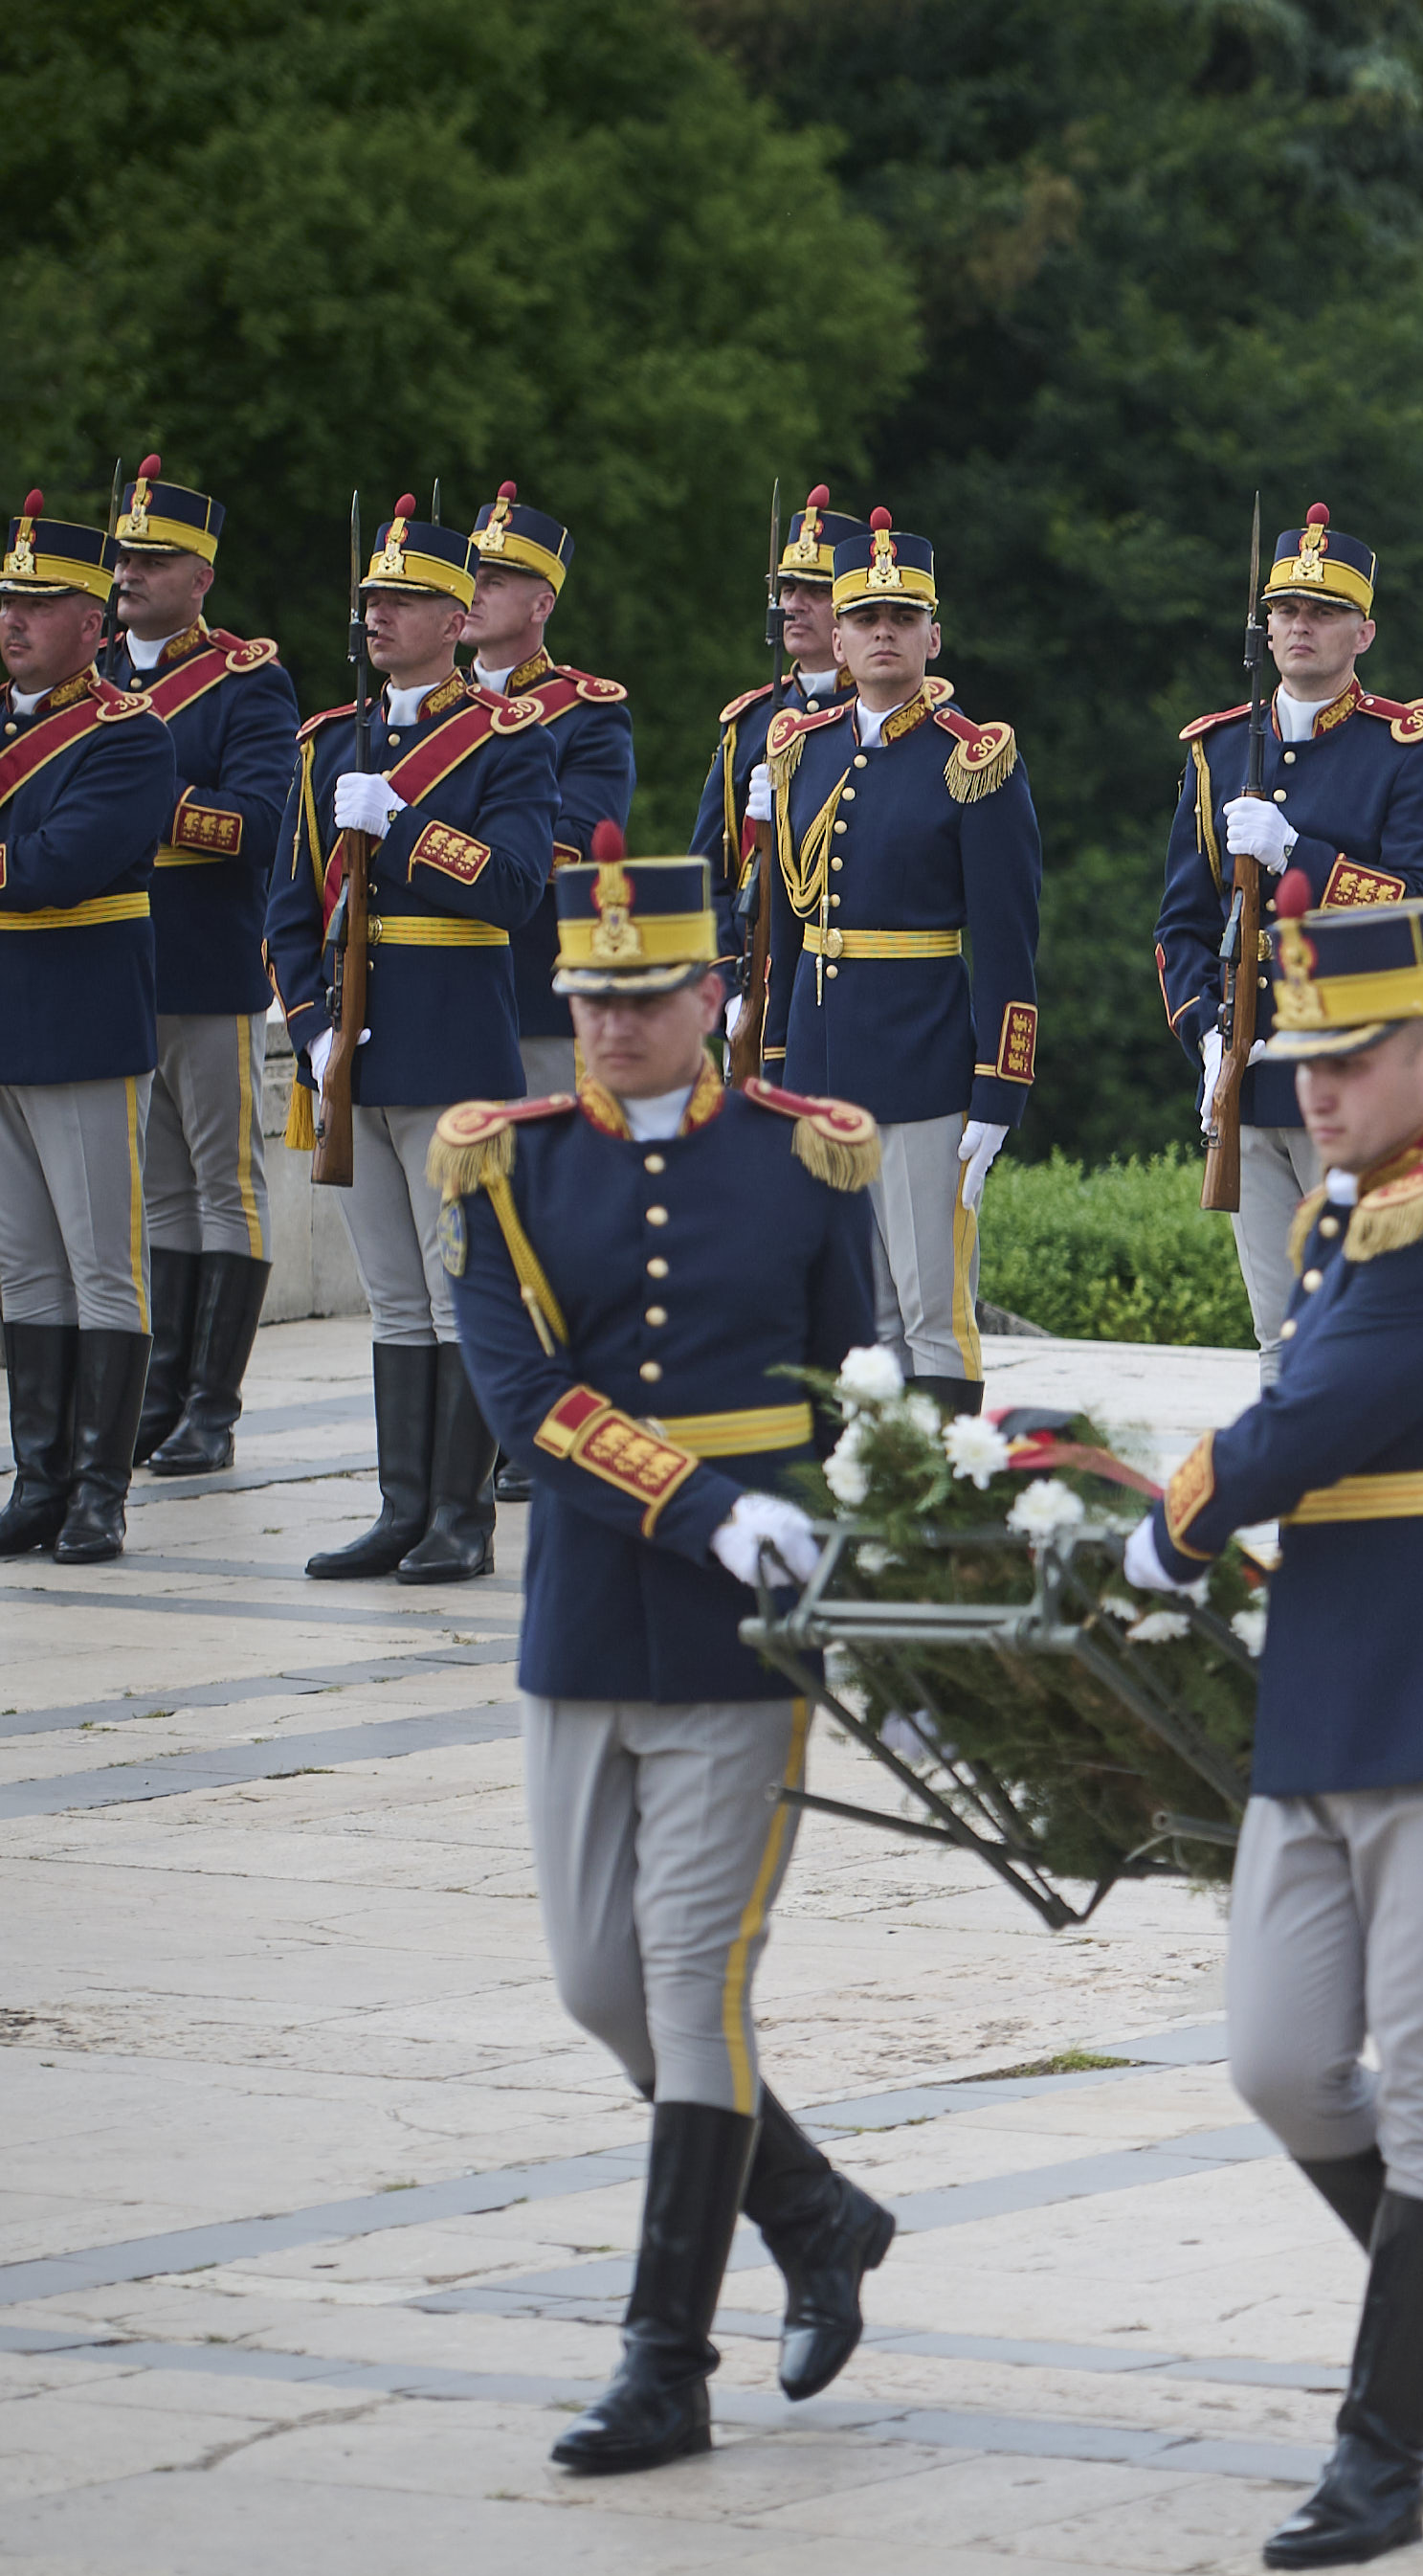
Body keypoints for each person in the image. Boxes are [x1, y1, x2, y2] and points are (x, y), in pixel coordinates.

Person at [1119, 877, 1423, 2565]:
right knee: (1275, 2056)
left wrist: (1172, 1517)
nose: (1311, 1089)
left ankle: (1380, 2457)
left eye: (1344, 1060)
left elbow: (1310, 1418)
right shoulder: (1357, 1206)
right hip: (1335, 1688)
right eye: (1300, 1061)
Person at [434, 827, 899, 2472]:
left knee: (694, 1989)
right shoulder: (505, 1165)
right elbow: (525, 1404)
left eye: (644, 996)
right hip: (589, 1609)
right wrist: (708, 1508)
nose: (612, 1023)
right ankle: (815, 2208)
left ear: (714, 996)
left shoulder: (806, 1157)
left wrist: (850, 1539)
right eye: (589, 997)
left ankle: (663, 2366)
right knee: (596, 1987)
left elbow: (853, 1382)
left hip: (744, 1639)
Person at [270, 499, 554, 1584]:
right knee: (394, 1296)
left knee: (456, 1292)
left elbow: (516, 889)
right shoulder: (325, 744)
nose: (378, 615)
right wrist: (313, 1033)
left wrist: (405, 826)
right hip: (356, 1057)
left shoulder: (506, 741)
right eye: (372, 599)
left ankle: (460, 1519)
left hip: (453, 1048)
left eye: (404, 599)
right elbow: (288, 916)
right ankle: (402, 1509)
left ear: (456, 619)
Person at [1156, 504, 1423, 1382]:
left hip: (1362, 1071)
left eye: (1325, 612)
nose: (1301, 626)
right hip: (1250, 1072)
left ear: (1363, 632)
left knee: (1370, 1322)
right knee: (1279, 1332)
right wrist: (1205, 1035)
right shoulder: (1219, 751)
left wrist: (1302, 858)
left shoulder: (1403, 748)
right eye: (1287, 610)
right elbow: (1180, 925)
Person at [745, 509, 1041, 1413]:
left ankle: (938, 1490)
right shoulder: (801, 751)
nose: (884, 632)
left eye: (903, 619)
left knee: (930, 1313)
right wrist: (774, 1068)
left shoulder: (973, 760)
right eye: (866, 618)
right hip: (819, 1069)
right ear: (836, 638)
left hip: (923, 1070)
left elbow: (1008, 945)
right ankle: (861, 1482)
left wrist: (998, 1091)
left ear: (932, 637)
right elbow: (789, 931)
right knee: (848, 1314)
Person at [105, 459, 299, 1483]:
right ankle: (161, 1394)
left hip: (204, 953)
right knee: (160, 1191)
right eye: (123, 555)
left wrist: (143, 801)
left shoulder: (245, 680)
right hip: (109, 956)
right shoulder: (91, 673)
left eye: (153, 559)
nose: (129, 573)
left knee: (225, 1184)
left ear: (201, 577)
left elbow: (261, 823)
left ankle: (212, 1408)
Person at [0, 493, 181, 1564]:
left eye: (38, 603)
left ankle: (100, 1493)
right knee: (24, 1267)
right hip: (8, 1021)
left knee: (102, 1265)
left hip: (82, 1018)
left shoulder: (128, 736)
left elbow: (58, 866)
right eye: (6, 601)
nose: (13, 619)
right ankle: (40, 1480)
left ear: (90, 622)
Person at [460, 484, 633, 1108]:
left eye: (494, 581)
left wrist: (437, 841)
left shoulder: (587, 714)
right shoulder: (429, 707)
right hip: (434, 993)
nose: (472, 592)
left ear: (542, 603)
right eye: (470, 576)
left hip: (533, 991)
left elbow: (578, 848)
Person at [694, 490, 859, 1080]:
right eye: (787, 589)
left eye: (816, 591)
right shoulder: (749, 724)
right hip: (757, 986)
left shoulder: (881, 718)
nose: (794, 604)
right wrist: (728, 986)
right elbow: (707, 875)